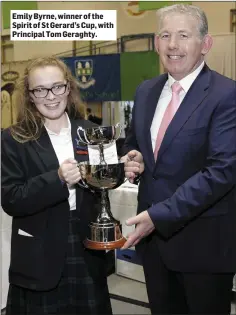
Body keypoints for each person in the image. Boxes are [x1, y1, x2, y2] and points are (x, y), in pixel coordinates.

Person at [121, 4, 236, 315]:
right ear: (157, 42)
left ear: (206, 44)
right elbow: (136, 146)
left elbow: (222, 171)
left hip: (204, 247)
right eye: (165, 35)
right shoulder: (146, 91)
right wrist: (133, 158)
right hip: (155, 245)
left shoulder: (227, 95)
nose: (172, 45)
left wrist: (159, 215)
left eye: (183, 35)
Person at [1, 56, 112, 315]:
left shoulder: (91, 132)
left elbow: (104, 184)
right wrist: (57, 178)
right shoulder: (13, 138)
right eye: (40, 90)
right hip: (39, 253)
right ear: (29, 95)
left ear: (68, 88)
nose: (50, 96)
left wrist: (124, 168)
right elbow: (11, 199)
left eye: (57, 87)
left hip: (86, 248)